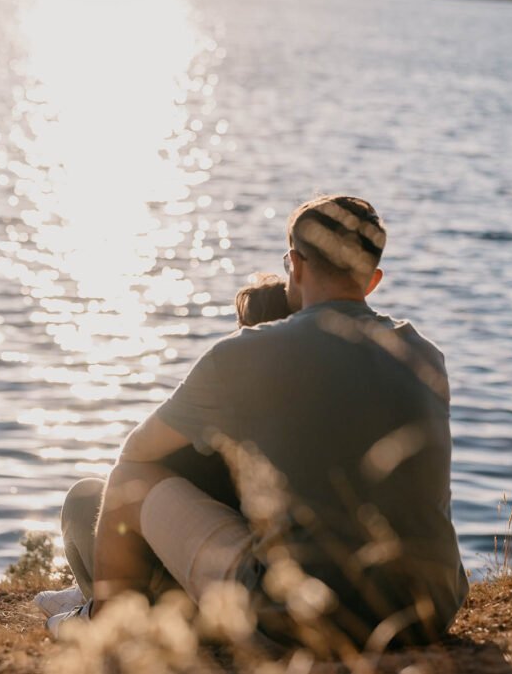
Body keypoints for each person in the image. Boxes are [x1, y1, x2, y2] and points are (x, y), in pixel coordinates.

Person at [42, 195, 469, 653]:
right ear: (374, 279)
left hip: (306, 621)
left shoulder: (248, 354)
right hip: (429, 612)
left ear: (296, 266)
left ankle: (102, 624)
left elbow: (137, 454)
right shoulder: (426, 355)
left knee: (128, 482)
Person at [35, 272, 291, 619]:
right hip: (250, 571)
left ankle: (91, 602)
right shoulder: (305, 415)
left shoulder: (219, 419)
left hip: (186, 588)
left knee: (86, 497)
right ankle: (85, 594)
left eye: (241, 329)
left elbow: (131, 467)